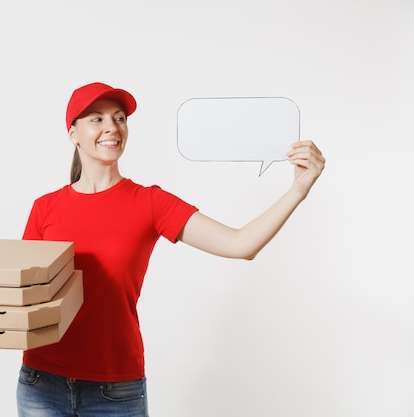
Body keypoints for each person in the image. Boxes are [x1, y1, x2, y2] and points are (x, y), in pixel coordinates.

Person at [17, 82, 325, 417]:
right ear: (73, 133)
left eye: (119, 118)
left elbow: (240, 244)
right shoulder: (45, 208)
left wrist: (298, 189)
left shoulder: (149, 203)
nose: (112, 127)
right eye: (97, 118)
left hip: (114, 390)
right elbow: (21, 294)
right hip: (40, 383)